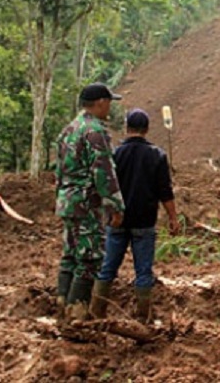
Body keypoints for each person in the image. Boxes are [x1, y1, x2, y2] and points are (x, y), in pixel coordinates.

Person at [90, 109, 181, 322]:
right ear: (147, 129)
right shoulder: (157, 155)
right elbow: (165, 191)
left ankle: (96, 312)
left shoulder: (115, 154)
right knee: (143, 272)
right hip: (144, 221)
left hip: (117, 220)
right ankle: (142, 317)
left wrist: (107, 212)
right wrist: (173, 218)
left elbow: (103, 186)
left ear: (127, 127)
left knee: (107, 268)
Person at [54, 82, 125, 322]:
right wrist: (115, 206)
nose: (110, 108)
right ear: (101, 102)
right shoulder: (95, 131)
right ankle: (77, 317)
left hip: (68, 201)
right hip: (86, 204)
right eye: (109, 103)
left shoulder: (68, 129)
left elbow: (59, 170)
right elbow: (103, 172)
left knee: (70, 256)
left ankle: (61, 310)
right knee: (90, 258)